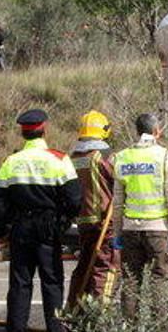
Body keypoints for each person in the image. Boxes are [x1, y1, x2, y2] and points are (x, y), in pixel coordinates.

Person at [0, 109, 81, 332]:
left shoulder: (11, 162)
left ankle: (16, 328)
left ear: (23, 133)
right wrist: (61, 223)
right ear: (44, 130)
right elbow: (74, 200)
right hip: (48, 229)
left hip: (20, 228)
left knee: (20, 283)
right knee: (52, 282)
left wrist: (1, 231)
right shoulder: (59, 159)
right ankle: (55, 328)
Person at [112, 113, 168, 315]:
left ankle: (128, 327)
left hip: (130, 230)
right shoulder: (164, 157)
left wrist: (117, 232)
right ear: (156, 132)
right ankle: (159, 325)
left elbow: (117, 202)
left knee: (131, 279)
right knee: (159, 278)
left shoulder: (122, 157)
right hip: (157, 229)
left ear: (137, 131)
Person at [67, 110, 120, 307]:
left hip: (83, 222)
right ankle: (99, 317)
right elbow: (121, 183)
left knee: (84, 269)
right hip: (105, 222)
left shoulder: (73, 157)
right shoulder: (105, 156)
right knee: (105, 269)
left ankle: (74, 312)